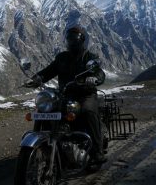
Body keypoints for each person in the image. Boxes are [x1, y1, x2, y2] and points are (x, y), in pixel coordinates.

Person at [26, 24, 107, 163]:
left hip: (85, 94)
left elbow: (99, 72)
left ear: (82, 40)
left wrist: (95, 78)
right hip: (65, 94)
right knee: (45, 110)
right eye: (69, 39)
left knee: (88, 112)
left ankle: (97, 151)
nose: (72, 42)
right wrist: (36, 78)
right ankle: (44, 144)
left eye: (75, 39)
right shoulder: (62, 57)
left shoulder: (89, 57)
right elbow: (49, 71)